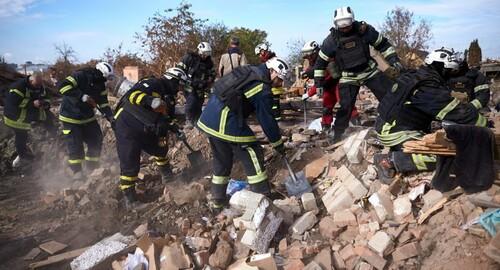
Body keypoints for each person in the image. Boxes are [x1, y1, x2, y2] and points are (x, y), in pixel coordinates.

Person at [374, 47, 488, 183]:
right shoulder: (428, 87)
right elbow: (457, 113)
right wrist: (485, 125)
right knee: (446, 155)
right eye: (450, 70)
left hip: (390, 124)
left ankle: (401, 149)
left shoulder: (417, 76)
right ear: (443, 68)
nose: (452, 74)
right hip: (395, 131)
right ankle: (390, 161)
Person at [197, 57, 289, 210]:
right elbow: (267, 120)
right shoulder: (262, 86)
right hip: (225, 118)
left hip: (209, 116)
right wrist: (278, 144)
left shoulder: (250, 71)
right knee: (252, 150)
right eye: (280, 79)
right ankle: (263, 195)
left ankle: (217, 201)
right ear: (272, 72)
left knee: (223, 159)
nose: (280, 84)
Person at [314, 6, 403, 141]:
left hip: (369, 71)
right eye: (341, 26)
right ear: (335, 24)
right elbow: (320, 63)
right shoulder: (331, 41)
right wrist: (318, 83)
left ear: (352, 20)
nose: (344, 29)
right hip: (348, 76)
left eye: (347, 25)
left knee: (388, 97)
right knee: (345, 107)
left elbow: (383, 45)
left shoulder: (364, 31)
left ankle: (400, 125)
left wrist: (394, 60)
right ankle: (337, 135)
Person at [113, 67, 189, 206]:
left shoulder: (170, 99)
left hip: (147, 127)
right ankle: (130, 199)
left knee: (161, 147)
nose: (179, 89)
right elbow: (132, 95)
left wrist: (175, 128)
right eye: (179, 85)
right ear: (172, 80)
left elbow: (167, 117)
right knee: (130, 160)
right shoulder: (153, 83)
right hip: (127, 124)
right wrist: (149, 100)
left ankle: (168, 177)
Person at [58, 62, 115, 180]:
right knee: (75, 145)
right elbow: (62, 86)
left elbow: (103, 103)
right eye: (106, 77)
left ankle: (92, 168)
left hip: (87, 117)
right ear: (100, 73)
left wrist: (111, 118)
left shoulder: (101, 85)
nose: (106, 80)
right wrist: (81, 95)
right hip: (71, 117)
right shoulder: (80, 76)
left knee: (96, 138)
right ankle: (76, 173)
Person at [301, 40, 359, 131]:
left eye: (309, 54)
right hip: (327, 87)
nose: (308, 57)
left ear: (315, 52)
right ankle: (326, 127)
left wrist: (309, 94)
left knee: (345, 104)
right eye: (306, 55)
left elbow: (319, 81)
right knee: (326, 108)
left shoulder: (326, 61)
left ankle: (356, 123)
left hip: (337, 84)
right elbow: (314, 75)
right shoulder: (313, 64)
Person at [3, 72, 56, 169]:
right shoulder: (18, 87)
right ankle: (22, 156)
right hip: (15, 116)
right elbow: (13, 103)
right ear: (31, 80)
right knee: (21, 135)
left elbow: (46, 97)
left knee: (48, 116)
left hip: (29, 112)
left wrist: (45, 104)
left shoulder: (40, 86)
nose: (38, 87)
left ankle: (54, 136)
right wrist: (32, 104)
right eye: (36, 85)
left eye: (40, 84)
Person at [177, 42, 216, 127]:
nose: (206, 55)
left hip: (201, 87)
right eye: (205, 53)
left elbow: (213, 73)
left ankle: (198, 121)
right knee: (191, 102)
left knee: (199, 104)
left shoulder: (209, 62)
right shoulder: (189, 58)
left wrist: (209, 81)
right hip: (189, 86)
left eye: (208, 53)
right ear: (200, 51)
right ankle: (189, 120)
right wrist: (181, 83)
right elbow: (179, 70)